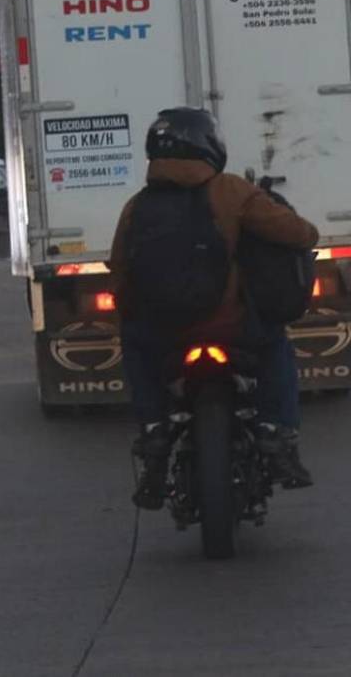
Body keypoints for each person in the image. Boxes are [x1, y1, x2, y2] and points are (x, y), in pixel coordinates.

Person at [108, 107, 319, 510]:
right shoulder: (232, 191)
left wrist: (133, 314)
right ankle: (275, 432)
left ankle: (154, 431)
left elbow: (119, 271)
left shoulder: (137, 206)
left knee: (134, 346)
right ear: (209, 145)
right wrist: (307, 232)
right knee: (275, 345)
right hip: (231, 326)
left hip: (162, 334)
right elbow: (297, 233)